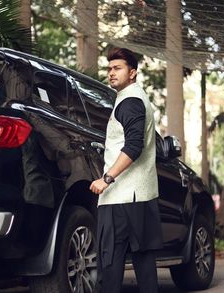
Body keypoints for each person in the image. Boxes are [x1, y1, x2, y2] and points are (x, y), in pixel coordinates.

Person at [90, 47, 163, 293]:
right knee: (144, 266)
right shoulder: (137, 99)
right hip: (141, 197)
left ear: (132, 73)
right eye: (109, 68)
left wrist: (106, 178)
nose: (111, 73)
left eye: (117, 68)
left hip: (120, 198)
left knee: (109, 266)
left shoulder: (130, 102)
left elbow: (134, 146)